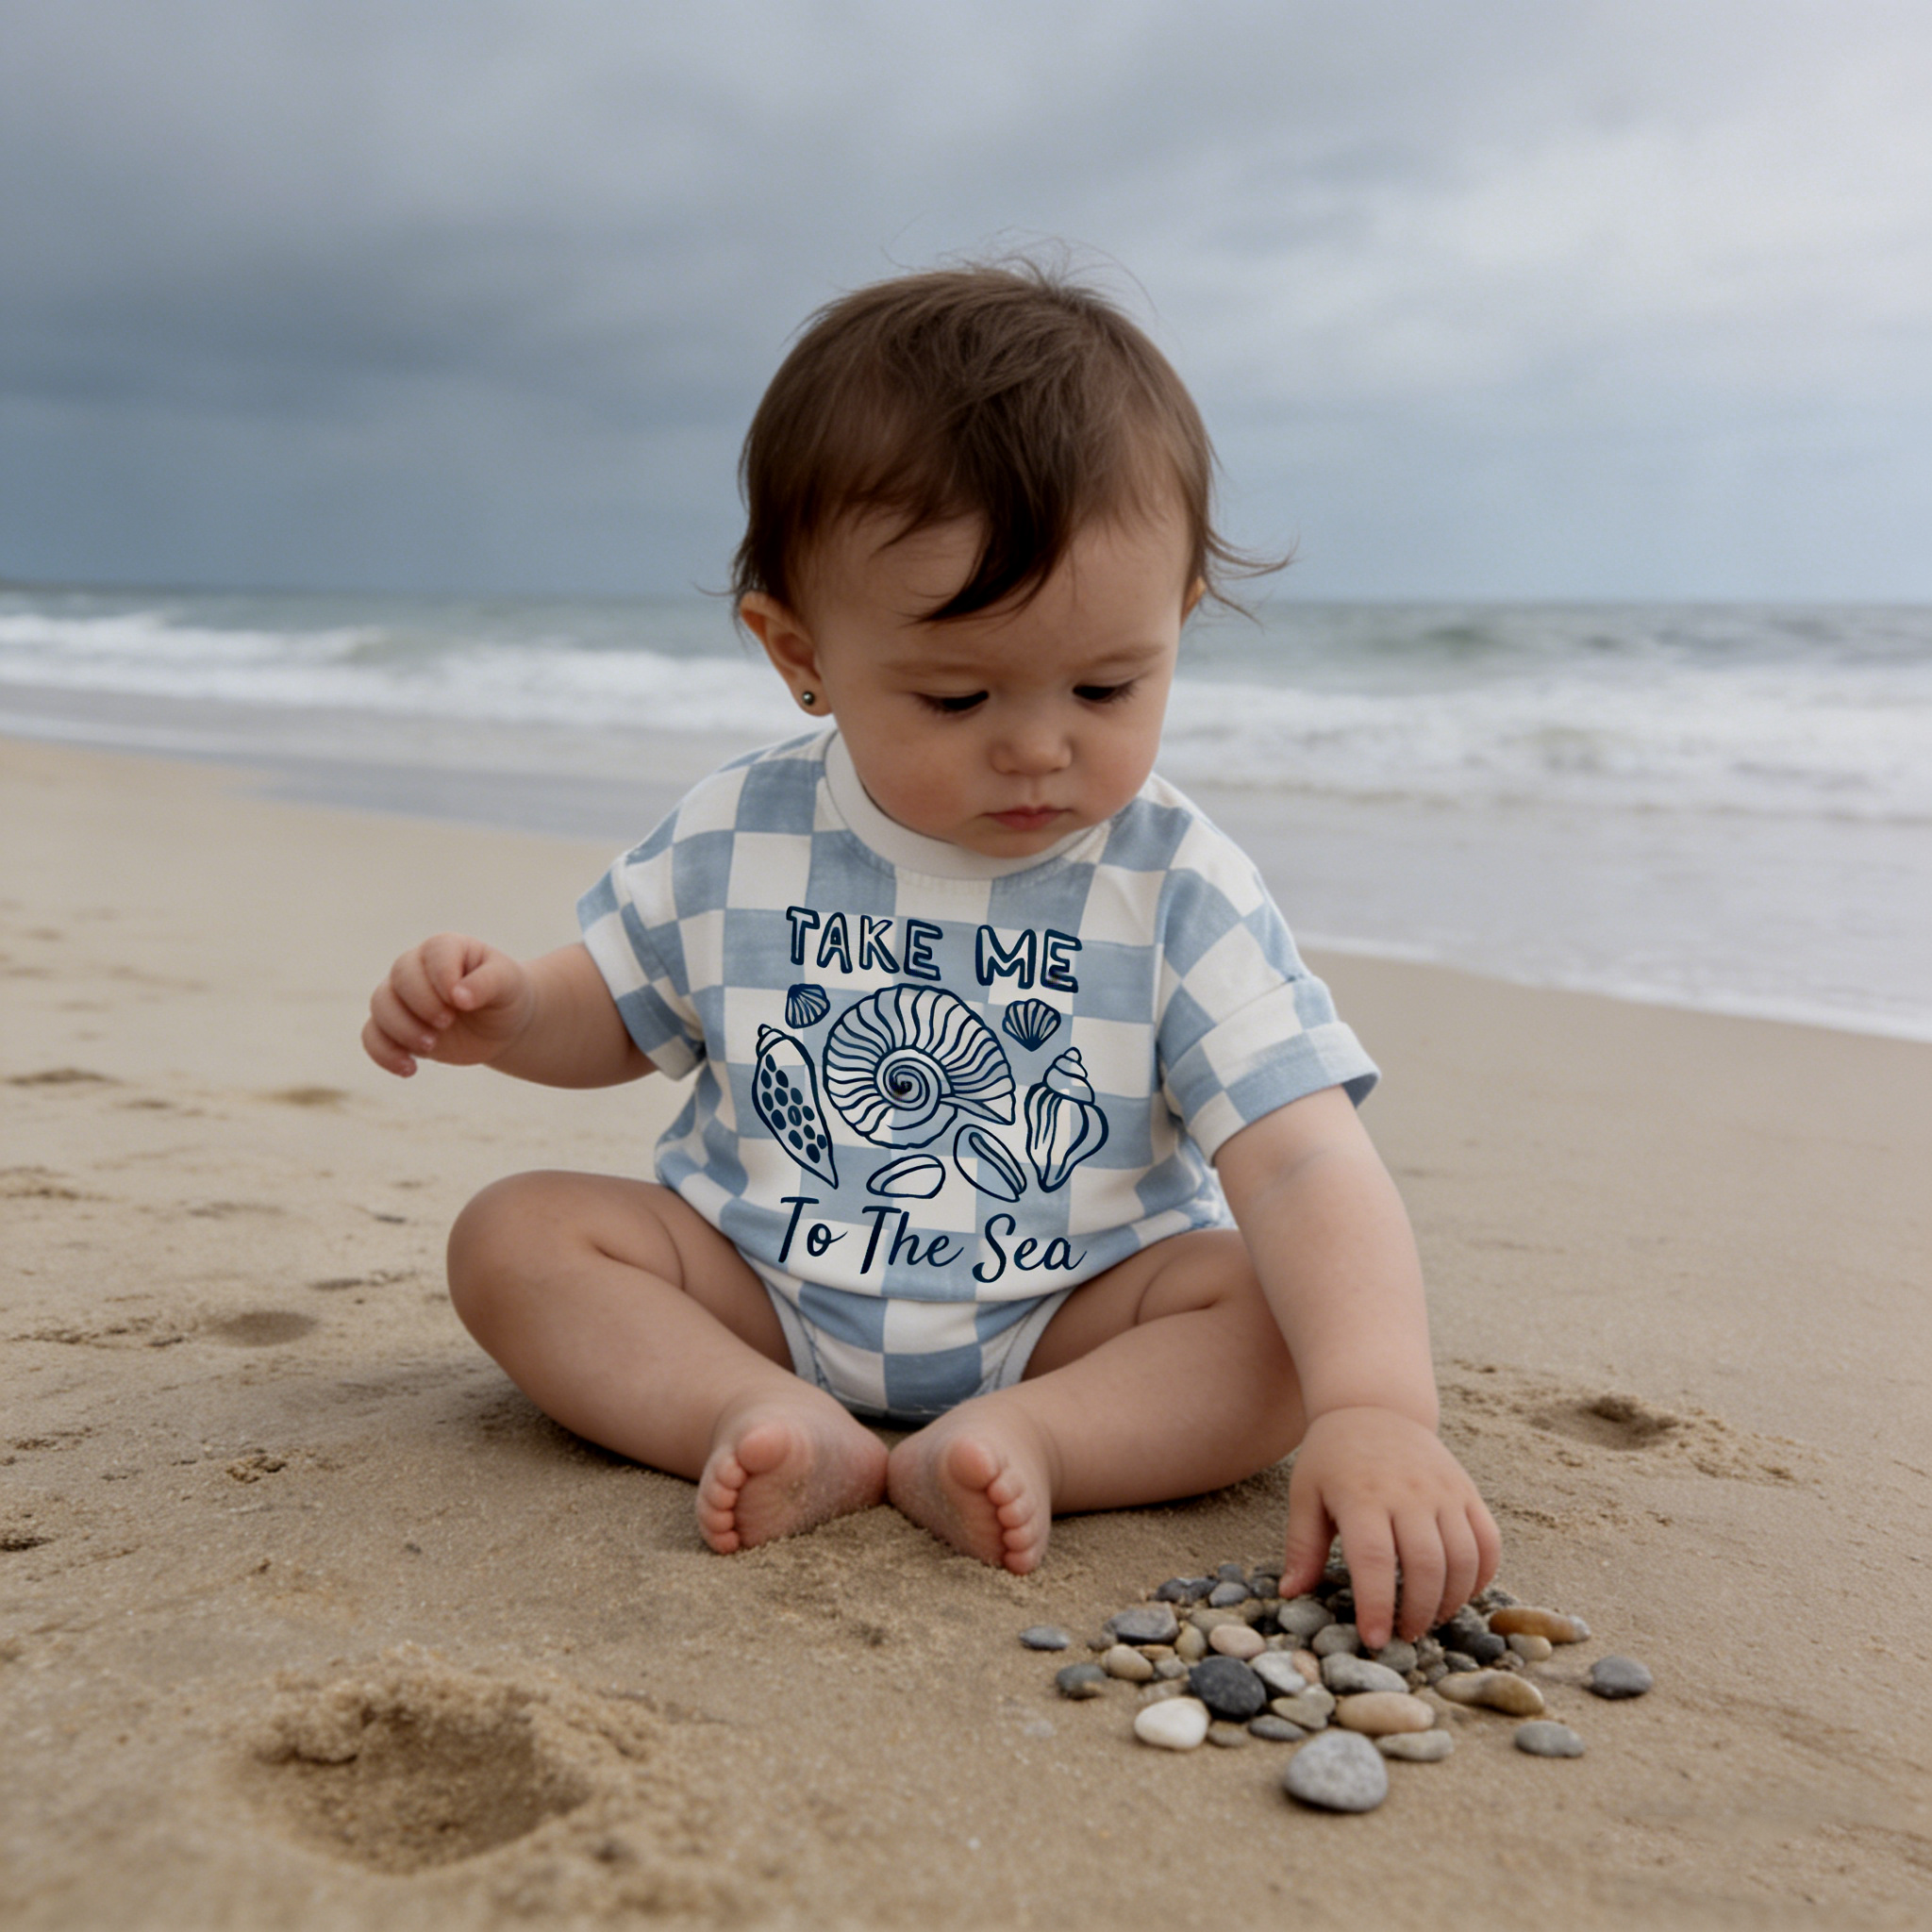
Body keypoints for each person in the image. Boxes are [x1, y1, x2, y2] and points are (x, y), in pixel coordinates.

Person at [362, 263, 1499, 1647]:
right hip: (756, 1286)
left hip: (1074, 1313)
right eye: (957, 696)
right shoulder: (741, 829)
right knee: (515, 1238)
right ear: (799, 652)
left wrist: (1377, 1410)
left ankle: (1037, 1438)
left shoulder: (1175, 882)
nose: (1038, 745)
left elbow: (1303, 1158)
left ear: (1180, 620)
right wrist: (507, 1012)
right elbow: (614, 1005)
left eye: (1107, 686)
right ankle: (756, 1414)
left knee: (1277, 1323)